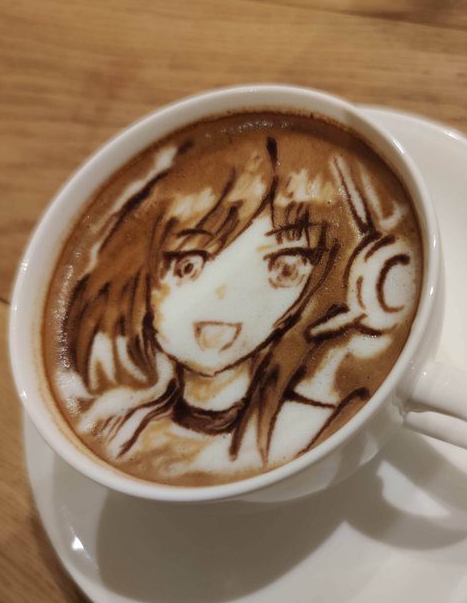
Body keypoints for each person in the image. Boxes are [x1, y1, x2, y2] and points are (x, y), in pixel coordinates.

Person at [61, 136, 416, 480]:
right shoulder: (118, 430)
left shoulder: (326, 419)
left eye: (285, 268)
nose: (226, 296)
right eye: (189, 265)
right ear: (141, 275)